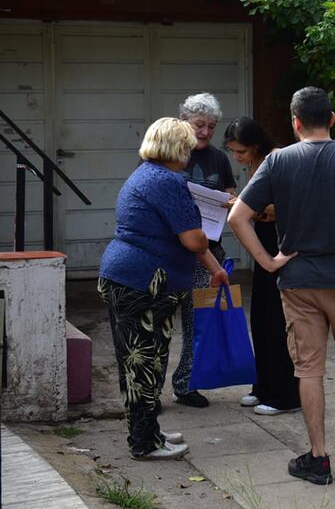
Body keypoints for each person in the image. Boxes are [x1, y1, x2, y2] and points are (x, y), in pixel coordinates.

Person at [228, 87, 335, 485]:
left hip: (299, 283)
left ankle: (319, 458)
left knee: (309, 370)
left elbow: (237, 217)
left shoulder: (278, 161)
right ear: (332, 119)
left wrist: (269, 263)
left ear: (295, 122)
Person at [98, 118, 229, 460]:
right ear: (175, 148)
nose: (189, 152)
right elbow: (195, 239)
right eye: (186, 146)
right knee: (143, 365)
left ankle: (149, 432)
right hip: (142, 283)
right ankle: (143, 443)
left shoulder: (145, 174)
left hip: (132, 278)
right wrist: (201, 230)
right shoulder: (168, 181)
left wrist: (214, 269)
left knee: (145, 361)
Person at [224, 117, 301, 416]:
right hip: (263, 248)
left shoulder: (278, 159)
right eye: (233, 151)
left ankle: (286, 395)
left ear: (255, 145)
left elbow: (290, 205)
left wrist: (248, 209)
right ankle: (264, 386)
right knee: (259, 319)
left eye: (240, 151)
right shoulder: (257, 165)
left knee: (276, 321)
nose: (237, 158)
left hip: (279, 248)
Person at [168, 92, 238, 408]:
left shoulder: (218, 158)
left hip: (209, 252)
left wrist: (231, 202)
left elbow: (229, 193)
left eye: (211, 126)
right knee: (157, 327)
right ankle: (147, 393)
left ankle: (185, 385)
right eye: (199, 125)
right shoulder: (167, 153)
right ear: (184, 121)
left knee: (199, 323)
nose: (205, 132)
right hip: (171, 253)